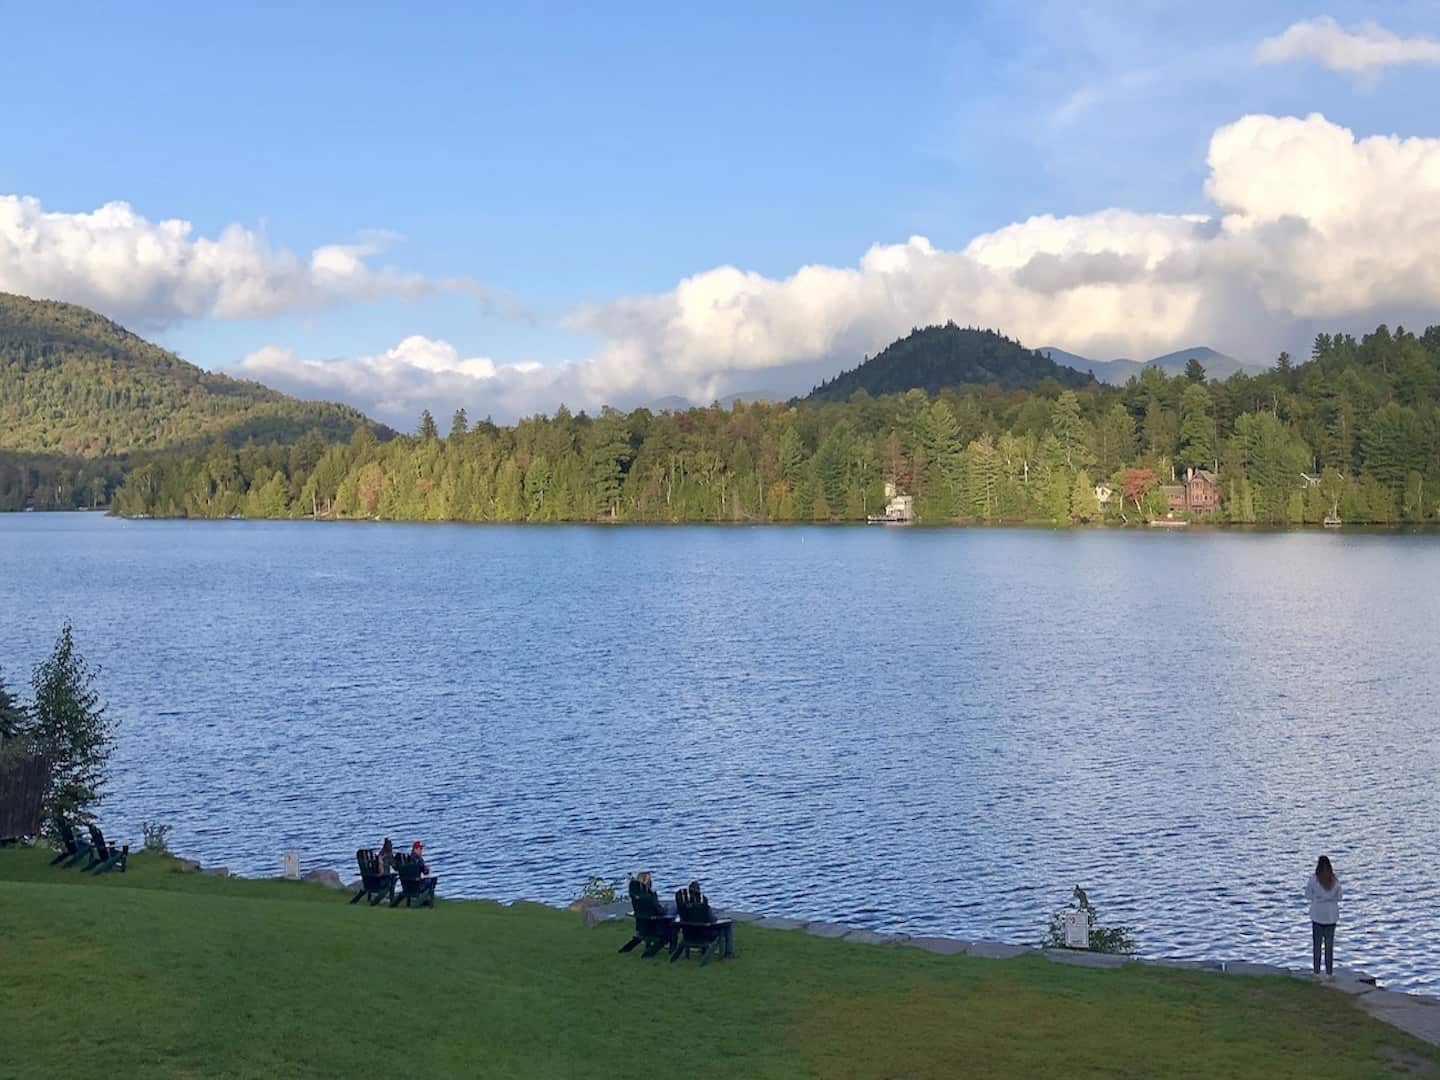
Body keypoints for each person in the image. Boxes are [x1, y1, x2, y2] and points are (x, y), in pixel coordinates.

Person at [1305, 855, 1342, 979]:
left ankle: (1316, 972)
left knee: (1317, 945)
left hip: (1317, 914)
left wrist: (1318, 898)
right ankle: (1329, 973)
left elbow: (1308, 895)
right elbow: (1340, 897)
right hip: (1331, 915)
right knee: (1329, 946)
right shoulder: (1335, 881)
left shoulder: (1313, 880)